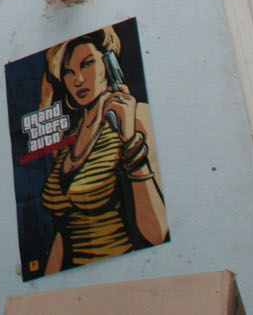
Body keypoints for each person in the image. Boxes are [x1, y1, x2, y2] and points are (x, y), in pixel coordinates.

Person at [39, 27, 169, 274]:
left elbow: (156, 232)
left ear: (108, 65)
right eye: (69, 73)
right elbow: (63, 232)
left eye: (87, 64)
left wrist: (129, 139)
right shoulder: (68, 138)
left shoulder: (135, 116)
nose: (78, 80)